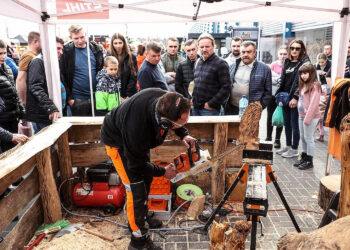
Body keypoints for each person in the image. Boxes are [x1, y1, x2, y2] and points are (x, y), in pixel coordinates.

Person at [101, 88, 195, 250]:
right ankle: (138, 240)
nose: (183, 125)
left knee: (147, 180)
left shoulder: (168, 99)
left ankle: (141, 219)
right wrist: (164, 172)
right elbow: (136, 165)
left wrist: (183, 133)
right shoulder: (137, 127)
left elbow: (176, 121)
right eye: (181, 123)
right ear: (165, 122)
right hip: (119, 143)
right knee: (135, 189)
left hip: (135, 142)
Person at [275, 39, 310, 158]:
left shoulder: (304, 62)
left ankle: (295, 149)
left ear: (302, 50)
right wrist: (279, 94)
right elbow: (283, 79)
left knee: (294, 124)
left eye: (297, 48)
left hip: (296, 98)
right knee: (287, 124)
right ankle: (288, 146)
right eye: (292, 48)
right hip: (284, 96)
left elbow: (302, 82)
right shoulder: (287, 61)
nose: (294, 50)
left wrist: (295, 97)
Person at [60, 25, 104, 116]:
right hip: (77, 99)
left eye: (82, 37)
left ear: (86, 35)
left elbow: (101, 72)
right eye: (76, 38)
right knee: (79, 129)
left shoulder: (96, 49)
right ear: (70, 37)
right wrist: (70, 99)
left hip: (96, 97)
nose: (80, 41)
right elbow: (62, 76)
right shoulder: (66, 51)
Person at [26, 37, 63, 133]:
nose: (61, 52)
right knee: (47, 146)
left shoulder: (53, 62)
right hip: (43, 114)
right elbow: (35, 87)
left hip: (51, 112)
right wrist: (50, 107)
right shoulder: (38, 61)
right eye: (58, 48)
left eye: (61, 49)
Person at [225, 40, 272, 115]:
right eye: (243, 52)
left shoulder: (264, 69)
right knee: (232, 127)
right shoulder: (232, 67)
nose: (245, 54)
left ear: (254, 52)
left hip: (252, 111)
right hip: (231, 108)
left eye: (249, 52)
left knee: (249, 127)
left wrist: (260, 107)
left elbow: (268, 93)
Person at [192, 33, 231, 116]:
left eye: (207, 46)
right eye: (201, 47)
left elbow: (226, 87)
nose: (204, 49)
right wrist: (193, 99)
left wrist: (210, 104)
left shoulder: (221, 63)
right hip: (195, 108)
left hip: (209, 110)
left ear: (213, 47)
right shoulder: (198, 62)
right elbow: (195, 83)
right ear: (198, 48)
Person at [0, 39, 26, 152]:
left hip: (12, 119)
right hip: (2, 122)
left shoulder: (8, 68)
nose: (3, 56)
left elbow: (14, 93)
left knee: (13, 152)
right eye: (0, 53)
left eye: (4, 52)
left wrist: (22, 112)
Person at [295, 63, 321, 170]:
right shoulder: (304, 84)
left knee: (309, 138)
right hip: (301, 115)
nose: (303, 76)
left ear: (311, 73)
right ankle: (304, 157)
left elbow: (314, 104)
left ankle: (309, 161)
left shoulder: (315, 86)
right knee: (303, 137)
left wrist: (308, 118)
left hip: (311, 117)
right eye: (301, 74)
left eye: (305, 73)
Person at [266, 45, 288, 148]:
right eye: (281, 54)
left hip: (283, 96)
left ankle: (277, 140)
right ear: (278, 54)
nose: (283, 56)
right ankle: (268, 137)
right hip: (272, 96)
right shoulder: (273, 65)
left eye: (285, 54)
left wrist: (276, 79)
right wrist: (278, 80)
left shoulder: (288, 65)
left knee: (280, 117)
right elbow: (269, 79)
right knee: (270, 116)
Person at [108, 33, 138, 101]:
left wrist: (128, 95)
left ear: (124, 43)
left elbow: (133, 77)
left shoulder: (131, 57)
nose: (118, 46)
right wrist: (118, 96)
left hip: (130, 94)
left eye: (120, 43)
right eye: (115, 43)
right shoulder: (109, 57)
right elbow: (108, 78)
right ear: (112, 44)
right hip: (114, 95)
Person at [16, 31, 41, 106]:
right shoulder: (29, 56)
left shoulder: (33, 55)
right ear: (35, 42)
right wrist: (23, 101)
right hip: (30, 99)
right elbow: (20, 79)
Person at [314, 53, 331, 142]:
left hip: (326, 90)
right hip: (318, 88)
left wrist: (325, 73)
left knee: (320, 112)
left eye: (322, 62)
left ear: (326, 60)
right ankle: (321, 134)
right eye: (319, 62)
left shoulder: (330, 65)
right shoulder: (316, 66)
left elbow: (331, 76)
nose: (320, 64)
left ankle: (318, 133)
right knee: (319, 113)